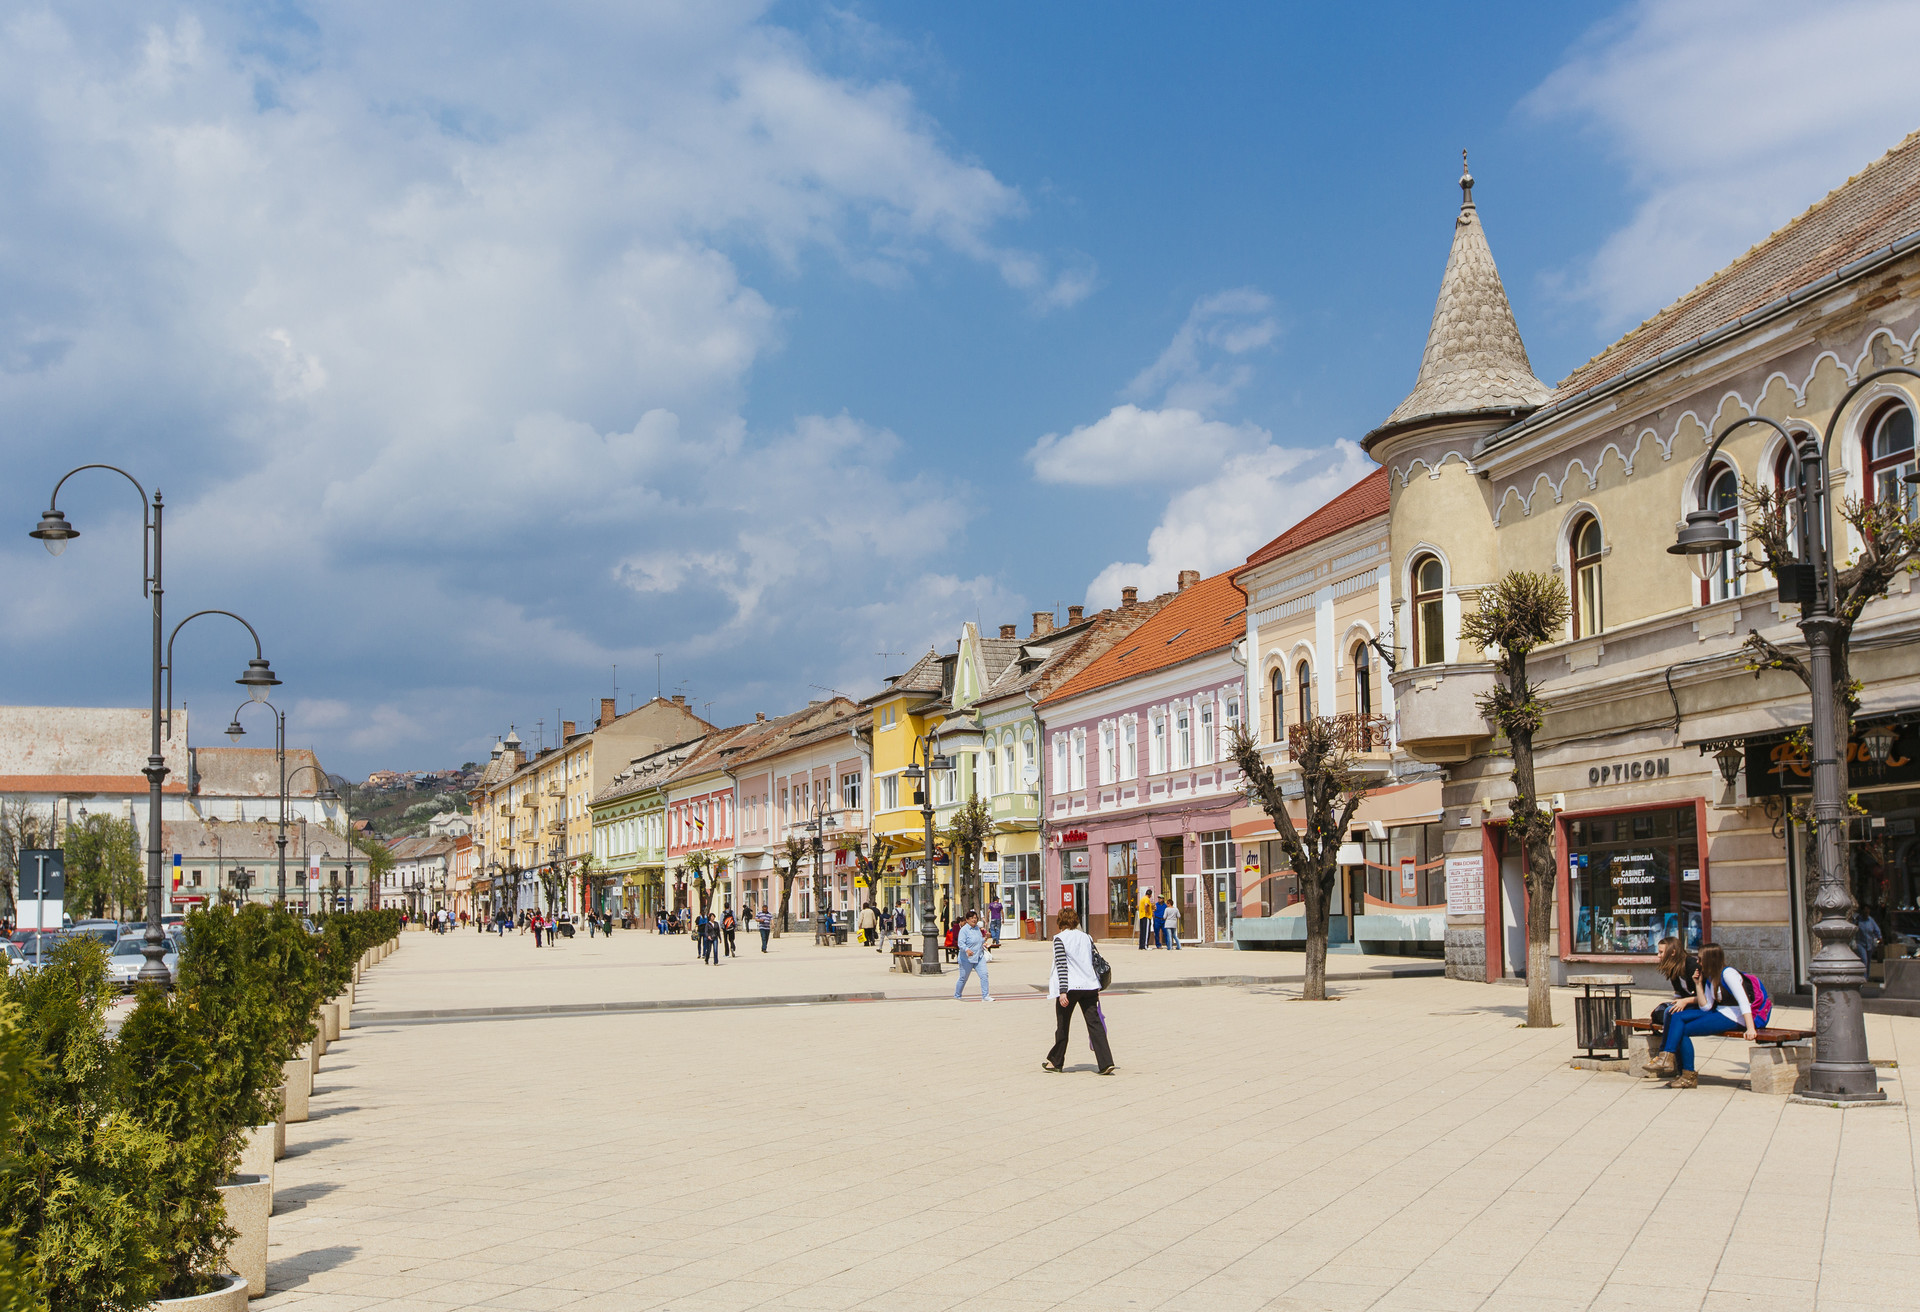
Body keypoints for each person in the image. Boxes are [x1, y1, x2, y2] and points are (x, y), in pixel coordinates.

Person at [1659, 943, 1766, 1089]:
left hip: (1736, 1016)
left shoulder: (1728, 974)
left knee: (1682, 1030)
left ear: (1710, 959)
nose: (1698, 962)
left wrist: (1750, 1028)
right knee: (1678, 1018)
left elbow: (1743, 1001)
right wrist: (1698, 984)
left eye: (1701, 959)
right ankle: (1670, 1060)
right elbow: (1706, 1006)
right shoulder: (1710, 977)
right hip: (1721, 1012)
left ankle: (1684, 1072)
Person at [1042, 907, 1113, 1075]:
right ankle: (1106, 1062)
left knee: (1063, 1025)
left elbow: (1062, 966)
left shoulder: (1059, 939)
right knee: (1095, 1025)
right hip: (1089, 985)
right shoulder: (1086, 937)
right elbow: (1093, 961)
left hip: (1071, 987)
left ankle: (1056, 1062)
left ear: (1060, 921)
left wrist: (1063, 991)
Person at [1642, 937, 1699, 1078]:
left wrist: (1685, 1002)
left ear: (1673, 952)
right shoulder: (1673, 968)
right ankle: (1679, 1070)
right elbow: (1679, 993)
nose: (1658, 955)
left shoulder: (1691, 964)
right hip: (1690, 1005)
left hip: (1703, 1006)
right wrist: (1677, 1002)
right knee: (1668, 1014)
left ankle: (1665, 1057)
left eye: (1661, 952)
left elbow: (1707, 997)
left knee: (1673, 1018)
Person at [953, 909, 992, 1002]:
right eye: (971, 918)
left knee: (984, 975)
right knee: (963, 978)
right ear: (967, 920)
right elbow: (961, 943)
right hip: (966, 959)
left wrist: (985, 938)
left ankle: (985, 996)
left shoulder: (977, 928)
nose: (974, 920)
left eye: (975, 918)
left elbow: (979, 940)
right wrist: (967, 950)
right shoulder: (964, 930)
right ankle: (957, 995)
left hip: (979, 957)